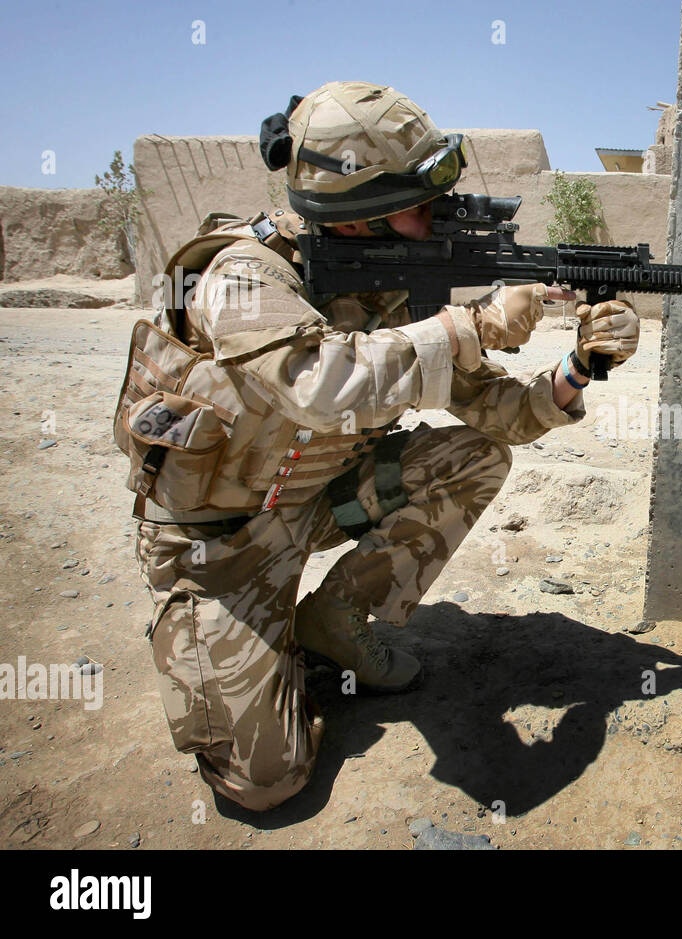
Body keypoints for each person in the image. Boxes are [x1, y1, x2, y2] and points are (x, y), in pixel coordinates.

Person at [115, 82, 639, 811]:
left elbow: (497, 412)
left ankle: (333, 621)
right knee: (267, 783)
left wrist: (581, 366)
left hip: (314, 500)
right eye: (419, 202)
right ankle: (223, 642)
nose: (438, 217)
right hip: (219, 544)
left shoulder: (390, 278)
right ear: (356, 210)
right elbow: (322, 383)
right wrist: (474, 325)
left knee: (474, 457)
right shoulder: (242, 274)